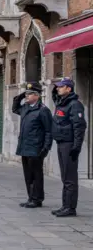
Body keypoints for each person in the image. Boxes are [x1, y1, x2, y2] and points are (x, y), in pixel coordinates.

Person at [12, 82, 52, 209]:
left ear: (37, 96)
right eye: (26, 94)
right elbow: (14, 108)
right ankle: (30, 197)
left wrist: (46, 148)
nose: (27, 96)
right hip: (25, 146)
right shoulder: (25, 108)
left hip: (36, 148)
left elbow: (48, 131)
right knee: (28, 175)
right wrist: (21, 95)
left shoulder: (43, 110)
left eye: (29, 94)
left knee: (36, 175)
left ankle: (37, 199)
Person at [51, 77, 87, 217]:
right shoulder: (62, 103)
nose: (58, 88)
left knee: (70, 177)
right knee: (65, 177)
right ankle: (65, 205)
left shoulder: (74, 105)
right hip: (61, 142)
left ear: (68, 88)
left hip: (69, 144)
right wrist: (55, 89)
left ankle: (70, 208)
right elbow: (54, 95)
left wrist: (76, 147)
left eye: (61, 86)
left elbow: (79, 127)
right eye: (58, 87)